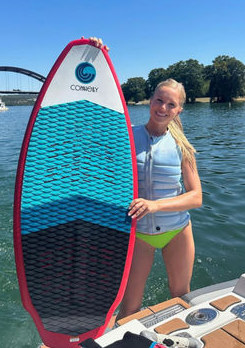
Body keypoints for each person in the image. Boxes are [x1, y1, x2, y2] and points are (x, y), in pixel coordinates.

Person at [86, 37, 202, 320]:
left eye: (170, 104)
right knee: (130, 307)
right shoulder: (126, 136)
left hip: (177, 231)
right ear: (150, 101)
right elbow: (92, 119)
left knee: (181, 296)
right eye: (159, 100)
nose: (162, 108)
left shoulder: (182, 146)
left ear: (178, 110)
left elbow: (196, 196)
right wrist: (95, 59)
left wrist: (154, 205)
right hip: (138, 235)